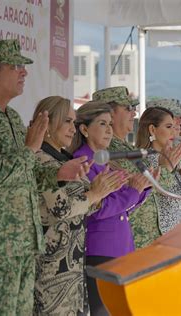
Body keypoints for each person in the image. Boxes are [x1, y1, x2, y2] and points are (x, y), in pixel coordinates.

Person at [0, 39, 89, 315]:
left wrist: (58, 172)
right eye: (16, 67)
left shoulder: (10, 117)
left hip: (23, 246)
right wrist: (29, 151)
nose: (24, 72)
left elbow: (26, 173)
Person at [32, 96, 126, 315]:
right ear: (47, 123)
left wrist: (99, 192)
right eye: (66, 121)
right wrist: (94, 194)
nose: (72, 129)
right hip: (52, 267)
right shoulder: (41, 160)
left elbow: (91, 205)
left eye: (73, 122)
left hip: (72, 265)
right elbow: (61, 208)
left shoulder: (65, 160)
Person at [71, 101, 153, 316]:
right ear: (84, 129)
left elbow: (122, 208)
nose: (109, 129)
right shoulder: (82, 161)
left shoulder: (103, 160)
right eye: (102, 123)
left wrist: (142, 188)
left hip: (121, 247)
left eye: (110, 124)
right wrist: (133, 191)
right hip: (101, 248)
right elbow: (100, 208)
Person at [92, 86, 159, 249]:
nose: (134, 113)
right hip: (121, 242)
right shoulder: (106, 153)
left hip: (139, 241)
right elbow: (111, 203)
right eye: (128, 108)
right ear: (109, 113)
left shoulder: (127, 150)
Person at [136, 106, 181, 234]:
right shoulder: (147, 161)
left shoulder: (167, 158)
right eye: (168, 127)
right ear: (152, 129)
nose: (173, 131)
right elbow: (171, 200)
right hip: (156, 234)